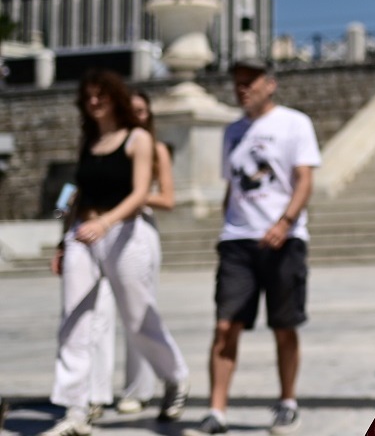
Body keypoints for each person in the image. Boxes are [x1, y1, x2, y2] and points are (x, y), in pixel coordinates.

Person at [44, 69, 189, 436]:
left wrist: (106, 223)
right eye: (89, 95)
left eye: (102, 95)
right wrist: (64, 241)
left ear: (115, 97)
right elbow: (75, 198)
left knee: (138, 315)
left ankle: (174, 377)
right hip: (83, 235)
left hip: (123, 231)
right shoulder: (89, 142)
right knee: (74, 320)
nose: (95, 101)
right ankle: (75, 409)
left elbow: (141, 193)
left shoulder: (138, 139)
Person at [186, 59, 320, 436]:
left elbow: (304, 180)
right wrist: (226, 223)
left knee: (284, 325)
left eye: (249, 82)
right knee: (225, 324)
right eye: (237, 83)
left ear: (270, 84)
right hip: (237, 241)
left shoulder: (295, 123)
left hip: (284, 239)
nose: (242, 89)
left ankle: (288, 402)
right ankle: (217, 409)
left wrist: (284, 223)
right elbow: (233, 184)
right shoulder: (232, 131)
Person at [90, 90, 176, 416]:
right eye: (131, 110)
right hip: (100, 229)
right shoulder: (103, 144)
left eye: (142, 111)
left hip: (136, 229)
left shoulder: (155, 149)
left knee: (137, 311)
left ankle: (138, 389)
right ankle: (93, 393)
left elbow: (167, 198)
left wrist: (132, 194)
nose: (136, 116)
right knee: (97, 314)